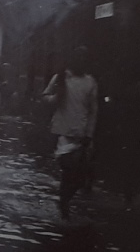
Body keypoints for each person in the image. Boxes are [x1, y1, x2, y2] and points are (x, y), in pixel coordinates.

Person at [41, 48, 99, 218]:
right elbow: (45, 96)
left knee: (80, 178)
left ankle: (63, 202)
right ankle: (63, 207)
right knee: (69, 172)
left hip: (81, 136)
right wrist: (55, 98)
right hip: (62, 134)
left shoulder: (90, 82)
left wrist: (89, 134)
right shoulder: (60, 79)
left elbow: (93, 111)